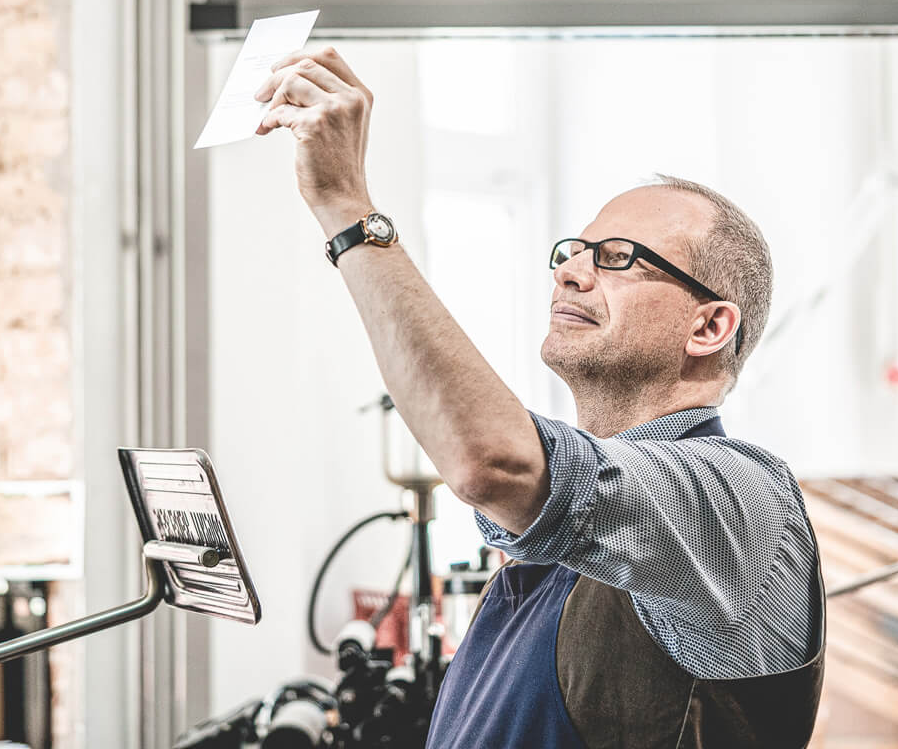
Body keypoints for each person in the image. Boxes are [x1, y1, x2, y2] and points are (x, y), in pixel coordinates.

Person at [254, 47, 824, 749]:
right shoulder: (572, 533)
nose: (572, 274)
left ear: (710, 325)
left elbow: (491, 463)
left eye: (617, 257)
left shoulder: (737, 497)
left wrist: (347, 205)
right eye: (571, 253)